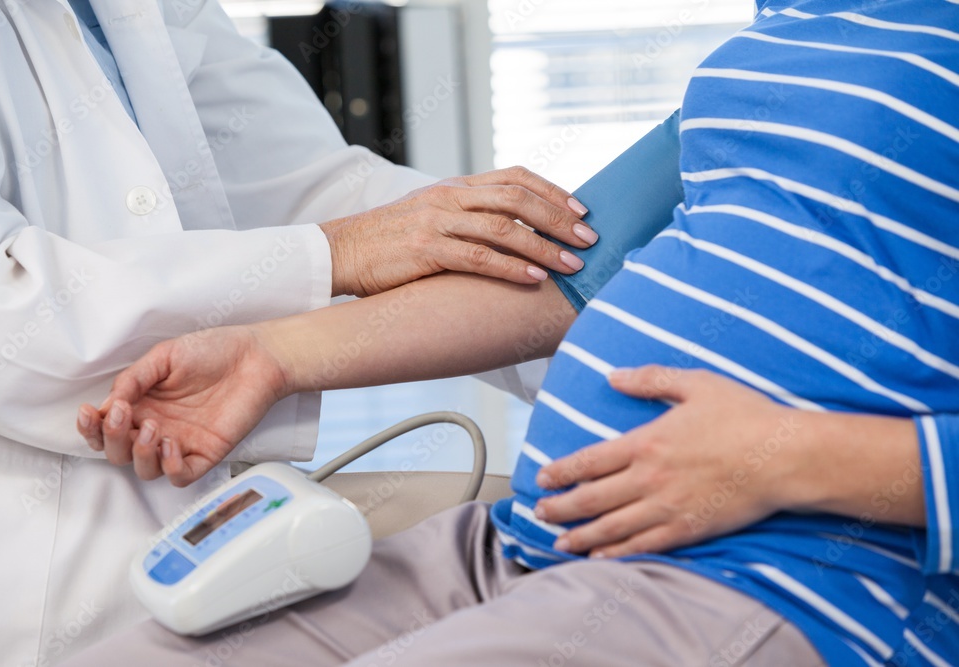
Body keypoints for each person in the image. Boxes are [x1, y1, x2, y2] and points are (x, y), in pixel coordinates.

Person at [71, 0, 959, 665]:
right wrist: (273, 355)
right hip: (524, 543)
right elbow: (563, 274)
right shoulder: (790, 32)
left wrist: (784, 457)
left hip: (786, 579)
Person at [0, 1, 695, 665]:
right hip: (20, 564)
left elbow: (321, 188)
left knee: (592, 559)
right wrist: (339, 256)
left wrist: (627, 360)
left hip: (203, 499)